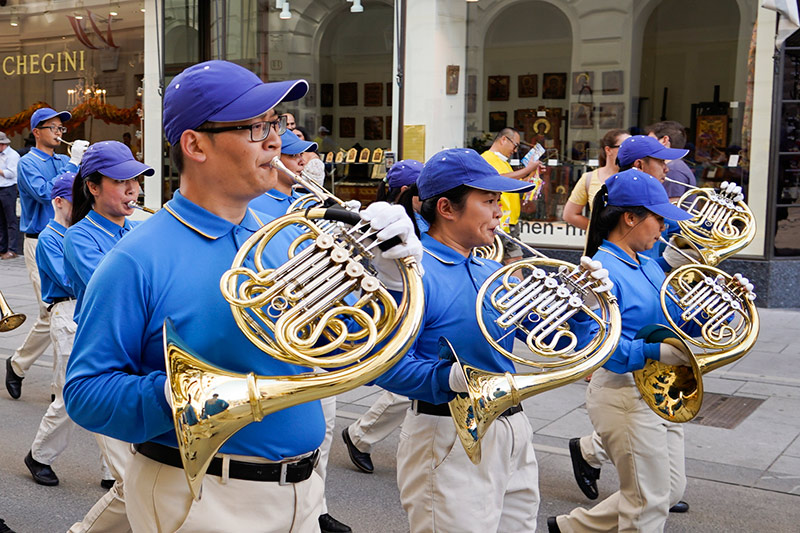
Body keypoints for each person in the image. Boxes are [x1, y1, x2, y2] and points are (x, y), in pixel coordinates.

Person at [63, 59, 418, 533]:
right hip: (204, 495)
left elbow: (349, 349)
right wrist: (186, 395)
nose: (275, 140)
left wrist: (391, 277)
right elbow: (85, 393)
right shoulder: (136, 258)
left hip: (303, 491)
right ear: (195, 145)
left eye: (274, 123)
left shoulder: (282, 238)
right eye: (255, 127)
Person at [370, 148, 603, 532]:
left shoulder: (489, 268)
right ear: (446, 207)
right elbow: (383, 363)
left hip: (512, 429)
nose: (499, 212)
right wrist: (448, 380)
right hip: (447, 434)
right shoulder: (411, 272)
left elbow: (554, 341)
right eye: (489, 201)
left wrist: (583, 306)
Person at [546, 169, 750, 533]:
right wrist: (655, 351)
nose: (663, 228)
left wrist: (722, 304)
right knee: (649, 502)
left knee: (668, 490)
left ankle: (571, 528)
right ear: (629, 217)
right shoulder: (598, 269)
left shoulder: (648, 265)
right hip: (622, 392)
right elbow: (598, 347)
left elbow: (676, 323)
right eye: (658, 218)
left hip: (659, 390)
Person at [245, 128, 351, 533]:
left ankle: (315, 505)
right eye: (296, 158)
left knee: (322, 424)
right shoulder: (261, 208)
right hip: (285, 326)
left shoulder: (301, 204)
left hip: (315, 321)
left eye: (306, 157)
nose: (305, 164)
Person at [342, 159, 424, 474]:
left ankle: (361, 435)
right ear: (406, 192)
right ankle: (360, 435)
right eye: (424, 193)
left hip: (409, 305)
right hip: (386, 307)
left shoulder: (417, 219)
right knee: (406, 385)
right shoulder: (380, 222)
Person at [5, 108, 88, 400]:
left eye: (61, 128)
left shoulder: (64, 160)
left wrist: (84, 164)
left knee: (54, 311)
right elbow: (46, 194)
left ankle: (17, 365)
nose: (59, 132)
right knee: (57, 311)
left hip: (69, 237)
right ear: (37, 132)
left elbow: (82, 194)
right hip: (40, 240)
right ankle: (59, 390)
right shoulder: (28, 162)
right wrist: (74, 166)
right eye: (52, 127)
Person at [23, 172, 78, 487]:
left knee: (97, 390)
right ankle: (40, 455)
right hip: (65, 311)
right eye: (74, 199)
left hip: (84, 310)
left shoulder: (78, 231)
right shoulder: (49, 237)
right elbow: (68, 280)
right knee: (70, 394)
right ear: (58, 202)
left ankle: (112, 472)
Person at [480, 128, 542, 263]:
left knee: (514, 260)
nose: (515, 150)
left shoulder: (504, 163)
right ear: (504, 139)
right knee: (503, 260)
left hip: (510, 222)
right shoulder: (486, 158)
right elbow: (498, 179)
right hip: (499, 222)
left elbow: (516, 186)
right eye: (516, 145)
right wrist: (527, 169)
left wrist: (532, 174)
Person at [562, 129, 629, 230]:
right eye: (624, 147)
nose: (629, 151)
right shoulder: (589, 178)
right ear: (608, 150)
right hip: (598, 244)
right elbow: (569, 215)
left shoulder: (635, 177)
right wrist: (597, 229)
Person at [248, 129, 318, 218]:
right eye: (293, 155)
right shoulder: (252, 206)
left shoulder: (311, 202)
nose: (303, 162)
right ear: (272, 160)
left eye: (301, 154)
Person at [646, 121, 696, 201]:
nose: (647, 144)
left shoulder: (673, 169)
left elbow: (668, 207)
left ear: (664, 140)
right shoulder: (675, 166)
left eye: (650, 140)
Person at [0, 132, 21, 259]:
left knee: (10, 220)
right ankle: (2, 248)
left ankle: (12, 249)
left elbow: (12, 173)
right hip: (1, 188)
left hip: (8, 189)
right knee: (1, 221)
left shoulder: (13, 155)